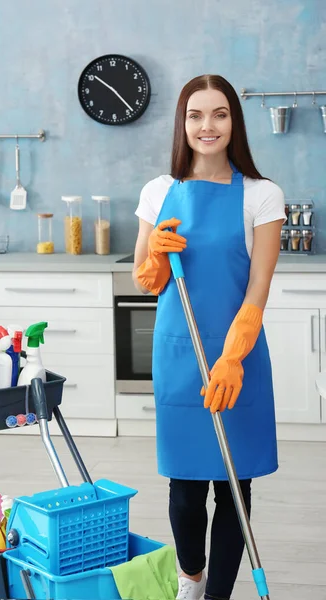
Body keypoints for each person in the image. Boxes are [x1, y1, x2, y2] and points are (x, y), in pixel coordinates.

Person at [132, 74, 286, 600]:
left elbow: (258, 289)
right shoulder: (158, 191)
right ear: (182, 123)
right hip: (179, 354)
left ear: (233, 122)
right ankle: (191, 579)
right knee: (185, 487)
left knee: (233, 485)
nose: (207, 125)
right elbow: (146, 280)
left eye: (219, 114)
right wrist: (154, 249)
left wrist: (234, 356)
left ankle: (218, 594)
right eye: (195, 115)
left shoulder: (262, 195)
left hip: (237, 357)